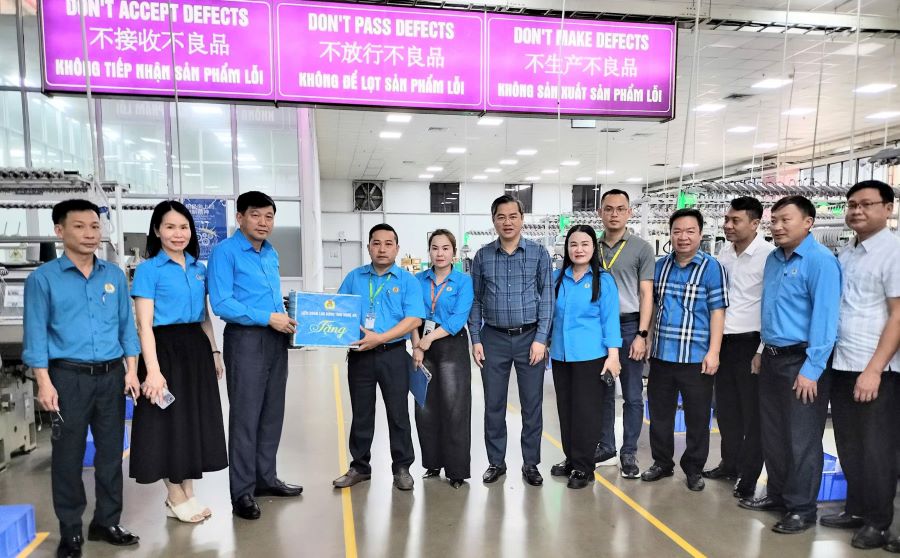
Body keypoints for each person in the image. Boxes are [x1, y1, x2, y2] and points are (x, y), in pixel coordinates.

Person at [23, 199, 142, 558]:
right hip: (67, 378)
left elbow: (127, 327)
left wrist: (132, 370)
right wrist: (44, 382)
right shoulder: (42, 279)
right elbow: (36, 335)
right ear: (60, 231)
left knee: (110, 454)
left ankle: (106, 521)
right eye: (80, 226)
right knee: (68, 457)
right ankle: (71, 531)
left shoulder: (113, 276)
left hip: (111, 377)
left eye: (95, 226)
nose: (91, 234)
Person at [738, 195, 841, 535]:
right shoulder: (774, 260)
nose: (777, 226)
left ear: (808, 222)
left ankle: (801, 509)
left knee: (801, 439)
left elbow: (826, 321)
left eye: (785, 220)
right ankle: (778, 496)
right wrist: (760, 349)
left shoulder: (820, 261)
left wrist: (812, 369)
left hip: (803, 361)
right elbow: (770, 311)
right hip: (771, 358)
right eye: (774, 220)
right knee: (774, 435)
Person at [129, 201, 228, 523]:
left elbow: (204, 317)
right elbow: (144, 325)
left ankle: (186, 491)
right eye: (170, 227)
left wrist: (214, 351)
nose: (177, 233)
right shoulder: (148, 270)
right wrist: (153, 371)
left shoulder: (198, 268)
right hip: (163, 350)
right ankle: (173, 494)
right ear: (157, 230)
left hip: (195, 350)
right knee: (164, 423)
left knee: (191, 421)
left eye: (183, 227)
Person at [208, 191, 302, 521]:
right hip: (246, 341)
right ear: (240, 218)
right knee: (246, 418)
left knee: (272, 414)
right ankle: (242, 492)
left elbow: (272, 299)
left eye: (269, 217)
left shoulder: (270, 253)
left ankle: (266, 478)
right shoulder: (225, 252)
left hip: (276, 340)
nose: (263, 223)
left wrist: (288, 322)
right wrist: (267, 318)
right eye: (256, 215)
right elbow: (221, 303)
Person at [823, 181, 900, 550]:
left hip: (876, 368)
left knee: (876, 448)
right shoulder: (848, 252)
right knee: (849, 444)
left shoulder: (894, 251)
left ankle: (878, 520)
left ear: (888, 208)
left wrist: (874, 369)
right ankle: (855, 507)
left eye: (867, 204)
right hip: (842, 361)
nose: (856, 211)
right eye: (852, 204)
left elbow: (898, 316)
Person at [468, 195, 553, 487]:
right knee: (494, 404)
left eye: (512, 216)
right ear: (493, 221)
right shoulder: (481, 256)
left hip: (530, 338)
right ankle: (496, 462)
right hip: (493, 339)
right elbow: (476, 300)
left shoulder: (539, 254)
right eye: (501, 217)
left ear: (522, 218)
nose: (507, 222)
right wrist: (476, 338)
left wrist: (541, 339)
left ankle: (531, 463)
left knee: (532, 404)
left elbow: (548, 301)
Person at [333, 224, 426, 491]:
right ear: (368, 247)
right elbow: (339, 312)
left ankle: (402, 468)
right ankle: (360, 467)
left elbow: (414, 319)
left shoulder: (407, 281)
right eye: (376, 243)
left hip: (393, 355)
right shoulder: (354, 278)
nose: (382, 249)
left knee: (398, 414)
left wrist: (381, 338)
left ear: (397, 248)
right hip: (360, 356)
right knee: (361, 414)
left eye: (388, 243)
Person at [642, 208, 727, 493]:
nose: (683, 237)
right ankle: (662, 462)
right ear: (670, 234)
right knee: (660, 414)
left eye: (690, 231)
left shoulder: (711, 267)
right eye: (677, 231)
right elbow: (653, 307)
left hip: (696, 357)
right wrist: (647, 339)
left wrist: (714, 352)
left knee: (697, 417)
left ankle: (693, 468)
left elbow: (717, 312)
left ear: (700, 234)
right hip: (663, 355)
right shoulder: (660, 266)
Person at [702, 197, 774, 499]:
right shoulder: (724, 253)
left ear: (755, 223)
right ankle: (729, 463)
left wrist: (761, 349)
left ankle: (749, 474)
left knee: (751, 414)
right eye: (726, 220)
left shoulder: (769, 256)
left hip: (750, 343)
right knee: (727, 411)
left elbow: (772, 306)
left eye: (735, 221)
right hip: (725, 341)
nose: (728, 225)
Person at [548, 225, 622, 489]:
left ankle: (584, 467)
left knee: (586, 413)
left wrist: (613, 356)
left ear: (594, 248)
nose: (578, 249)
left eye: (585, 244)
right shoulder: (557, 278)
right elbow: (550, 316)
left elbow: (610, 320)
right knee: (566, 410)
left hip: (591, 356)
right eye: (573, 245)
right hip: (560, 355)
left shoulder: (603, 280)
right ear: (567, 249)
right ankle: (571, 458)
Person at [595, 189, 655, 478]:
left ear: (629, 212)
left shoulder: (642, 248)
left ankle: (628, 452)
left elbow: (646, 294)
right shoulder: (591, 247)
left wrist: (642, 334)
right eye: (609, 209)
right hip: (600, 328)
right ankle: (605, 446)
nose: (614, 214)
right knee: (603, 391)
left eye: (620, 209)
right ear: (600, 212)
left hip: (630, 325)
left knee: (632, 395)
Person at [411, 229, 474, 489]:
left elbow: (458, 319)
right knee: (425, 408)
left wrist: (427, 339)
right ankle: (432, 464)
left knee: (454, 408)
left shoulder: (463, 281)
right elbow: (412, 314)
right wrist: (416, 345)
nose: (440, 253)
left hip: (450, 343)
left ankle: (456, 470)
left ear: (454, 253)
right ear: (429, 251)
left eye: (445, 248)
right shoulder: (416, 280)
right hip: (421, 346)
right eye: (435, 248)